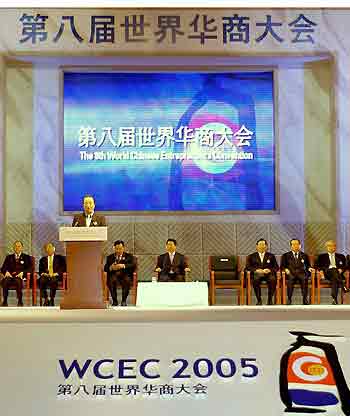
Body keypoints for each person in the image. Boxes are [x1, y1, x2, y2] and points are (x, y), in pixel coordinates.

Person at [245, 238, 279, 305]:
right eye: (260, 245)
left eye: (263, 245)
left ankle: (270, 300)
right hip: (257, 274)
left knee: (273, 279)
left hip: (268, 274)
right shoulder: (251, 256)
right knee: (255, 280)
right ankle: (259, 300)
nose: (262, 246)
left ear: (266, 246)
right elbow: (247, 267)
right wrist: (256, 270)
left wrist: (269, 270)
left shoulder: (271, 256)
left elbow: (276, 267)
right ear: (256, 246)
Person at [280, 239, 313, 305]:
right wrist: (286, 269)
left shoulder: (304, 255)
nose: (296, 246)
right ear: (291, 246)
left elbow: (308, 265)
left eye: (297, 244)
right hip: (291, 273)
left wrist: (310, 268)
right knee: (290, 280)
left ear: (300, 245)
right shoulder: (285, 255)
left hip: (301, 273)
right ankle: (289, 299)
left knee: (304, 279)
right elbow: (282, 266)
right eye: (294, 244)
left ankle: (304, 299)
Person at [315, 240, 348, 305]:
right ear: (326, 247)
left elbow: (345, 266)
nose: (331, 247)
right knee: (333, 269)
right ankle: (343, 285)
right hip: (326, 274)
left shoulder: (341, 256)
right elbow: (317, 266)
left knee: (334, 280)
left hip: (337, 274)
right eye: (329, 246)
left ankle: (334, 299)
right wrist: (321, 271)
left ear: (335, 247)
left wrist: (341, 269)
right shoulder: (321, 256)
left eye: (333, 246)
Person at [104, 240, 136, 306]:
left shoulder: (129, 256)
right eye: (117, 249)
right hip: (114, 276)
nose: (118, 250)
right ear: (114, 248)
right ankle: (115, 301)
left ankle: (123, 301)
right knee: (111, 281)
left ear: (123, 248)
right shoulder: (110, 257)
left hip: (125, 275)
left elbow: (133, 265)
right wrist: (111, 267)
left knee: (127, 280)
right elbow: (105, 268)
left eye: (120, 249)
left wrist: (123, 266)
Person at [0, 240, 32, 306]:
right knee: (5, 281)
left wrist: (23, 273)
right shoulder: (9, 257)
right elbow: (3, 268)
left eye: (19, 246)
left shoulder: (26, 257)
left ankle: (20, 301)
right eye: (15, 246)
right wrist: (6, 272)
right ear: (13, 248)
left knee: (18, 281)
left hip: (20, 277)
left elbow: (30, 269)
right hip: (10, 277)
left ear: (22, 248)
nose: (17, 248)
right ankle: (5, 301)